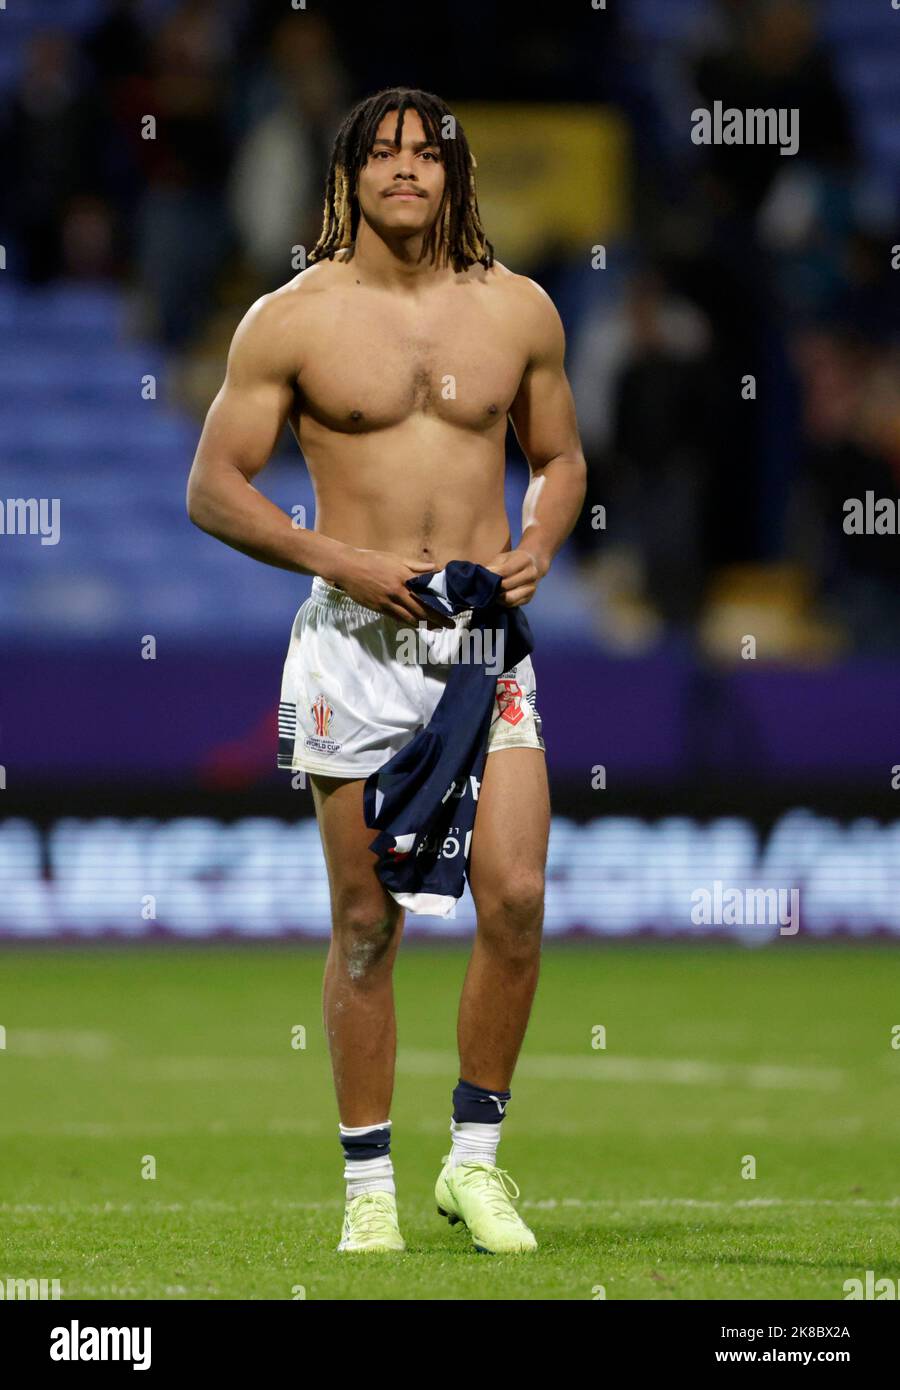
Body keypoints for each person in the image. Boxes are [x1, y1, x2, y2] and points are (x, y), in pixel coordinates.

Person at [187, 87, 586, 1254]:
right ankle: (369, 1183)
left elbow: (559, 459)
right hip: (354, 646)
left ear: (456, 174)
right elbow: (215, 486)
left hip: (478, 642)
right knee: (367, 921)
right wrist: (340, 559)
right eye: (385, 153)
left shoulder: (520, 311)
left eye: (428, 153)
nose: (407, 169)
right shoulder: (290, 318)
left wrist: (543, 540)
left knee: (512, 896)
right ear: (349, 176)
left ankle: (475, 1164)